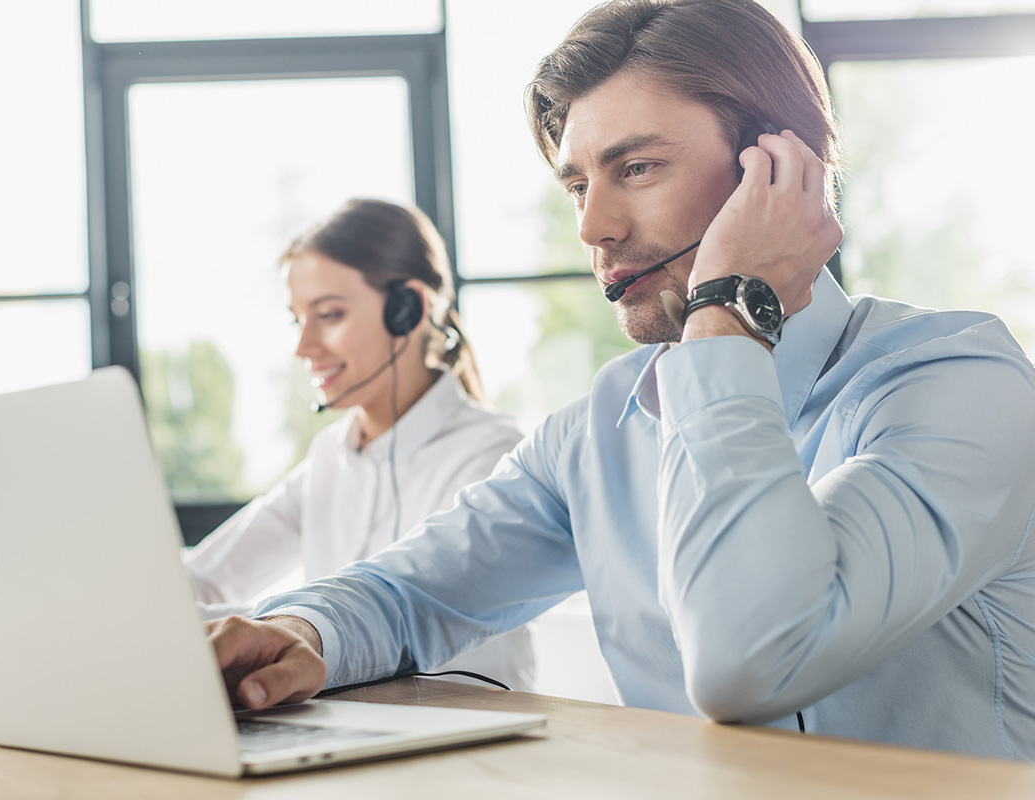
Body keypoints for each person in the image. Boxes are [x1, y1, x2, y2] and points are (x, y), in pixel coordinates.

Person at [204, 0, 1035, 760]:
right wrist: (302, 630)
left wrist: (728, 313)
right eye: (576, 183)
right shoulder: (599, 428)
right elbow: (408, 590)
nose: (593, 228)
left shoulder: (958, 382)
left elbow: (751, 658)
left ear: (779, 173)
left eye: (635, 168)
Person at [184, 198, 535, 692]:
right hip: (352, 728)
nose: (303, 347)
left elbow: (423, 624)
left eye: (327, 315)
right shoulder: (331, 456)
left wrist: (276, 632)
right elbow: (206, 577)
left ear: (407, 308)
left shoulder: (491, 455)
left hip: (467, 732)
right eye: (297, 320)